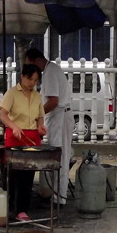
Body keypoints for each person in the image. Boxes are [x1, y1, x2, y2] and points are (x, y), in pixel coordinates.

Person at [24, 48, 73, 206]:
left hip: (60, 117)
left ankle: (60, 198)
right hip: (57, 117)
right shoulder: (50, 71)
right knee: (57, 156)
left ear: (38, 60)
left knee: (58, 157)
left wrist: (37, 115)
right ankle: (57, 195)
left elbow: (53, 101)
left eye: (31, 64)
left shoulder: (51, 72)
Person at [0, 64, 47, 221]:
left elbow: (40, 116)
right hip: (15, 136)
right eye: (29, 78)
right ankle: (9, 206)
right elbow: (3, 115)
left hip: (32, 137)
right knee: (13, 173)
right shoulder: (12, 93)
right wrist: (13, 126)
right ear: (22, 77)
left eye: (35, 80)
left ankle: (22, 209)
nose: (32, 83)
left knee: (28, 173)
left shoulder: (37, 96)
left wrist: (40, 126)